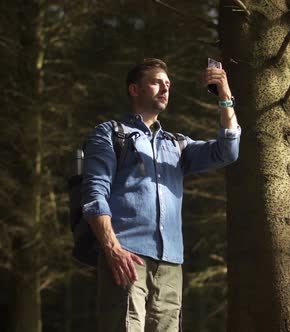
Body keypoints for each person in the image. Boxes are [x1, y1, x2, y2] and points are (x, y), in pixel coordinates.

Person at [81, 58, 240, 331]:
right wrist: (112, 248)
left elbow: (227, 152)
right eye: (156, 82)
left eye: (168, 84)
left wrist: (225, 97)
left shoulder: (176, 144)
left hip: (171, 265)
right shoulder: (110, 133)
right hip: (127, 258)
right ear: (134, 89)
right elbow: (95, 194)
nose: (165, 89)